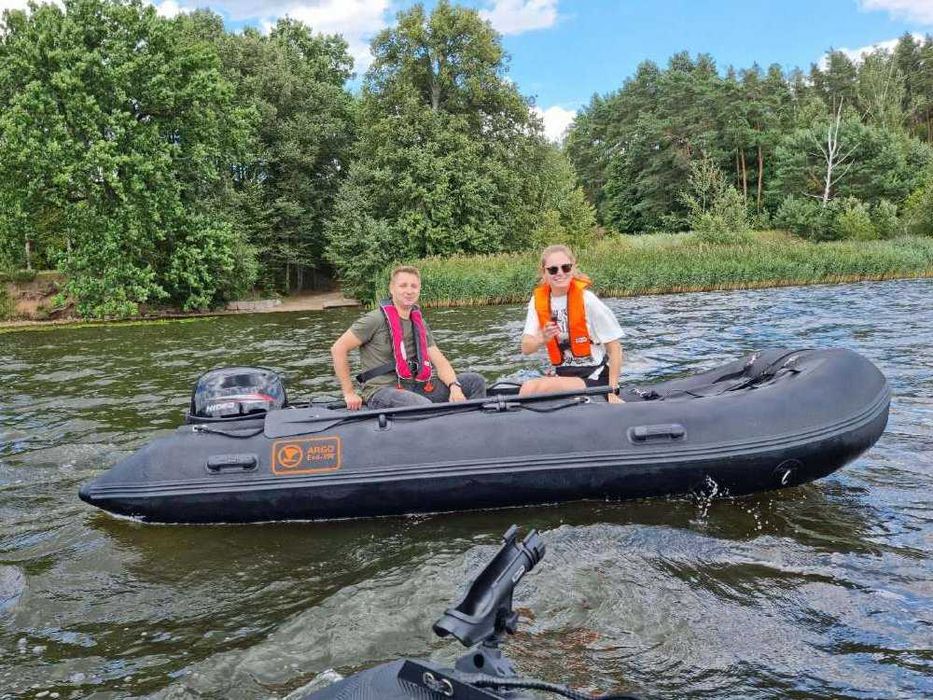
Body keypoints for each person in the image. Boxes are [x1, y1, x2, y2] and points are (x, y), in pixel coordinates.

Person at [331, 265, 486, 410]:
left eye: (414, 286)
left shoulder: (420, 324)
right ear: (392, 289)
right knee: (422, 405)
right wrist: (349, 393)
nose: (409, 291)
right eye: (403, 285)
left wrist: (454, 386)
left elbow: (440, 362)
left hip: (416, 386)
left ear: (419, 290)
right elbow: (338, 348)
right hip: (382, 390)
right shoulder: (374, 320)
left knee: (475, 381)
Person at [519, 244, 624, 403]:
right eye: (553, 269)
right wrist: (541, 339)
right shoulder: (537, 301)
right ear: (544, 272)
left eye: (565, 268)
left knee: (532, 388)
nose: (560, 273)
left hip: (595, 377)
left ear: (573, 268)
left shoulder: (587, 300)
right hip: (563, 374)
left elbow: (615, 348)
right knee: (530, 388)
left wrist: (612, 392)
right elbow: (526, 348)